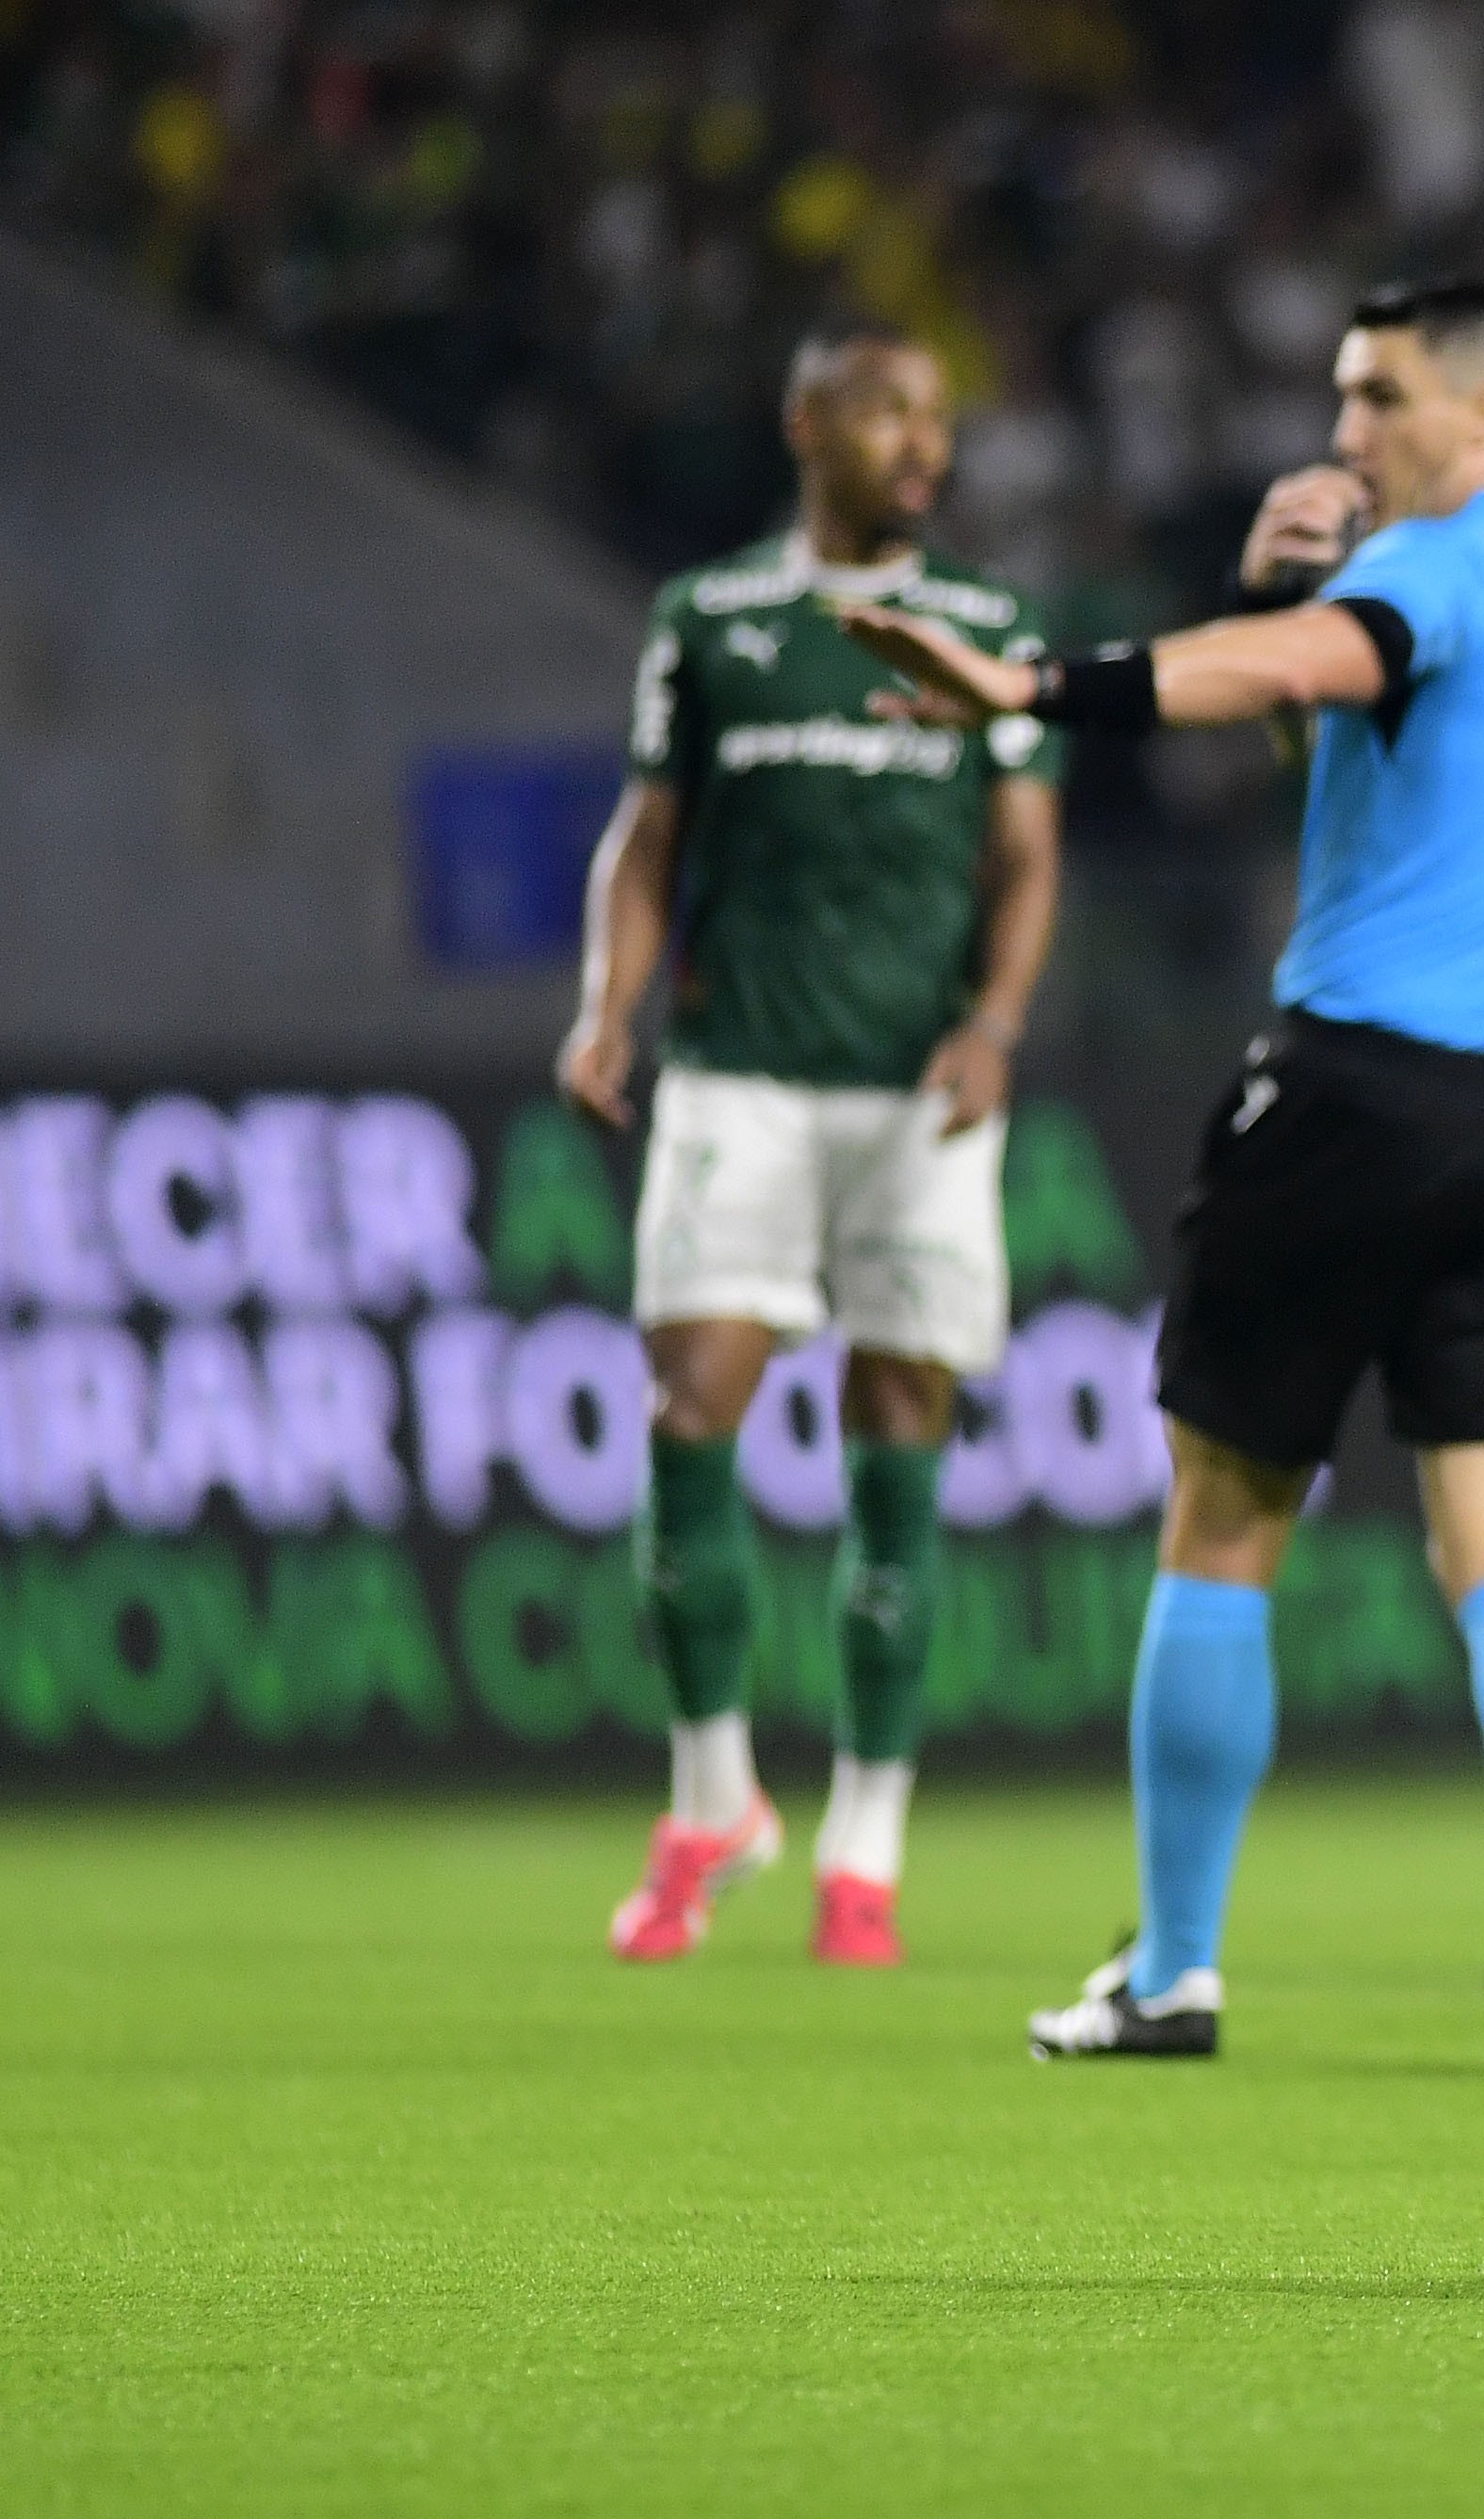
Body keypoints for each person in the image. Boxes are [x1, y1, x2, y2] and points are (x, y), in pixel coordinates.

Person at [837, 280, 1484, 2073]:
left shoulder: (1425, 579)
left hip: (1355, 1097)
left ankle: (1176, 1968)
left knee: (1223, 1523)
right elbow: (1361, 736)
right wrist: (1305, 595)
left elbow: (1289, 678)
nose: (1348, 432)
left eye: (1382, 398)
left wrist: (1033, 686)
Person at [558, 323, 1065, 1969]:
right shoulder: (711, 623)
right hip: (739, 1075)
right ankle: (713, 1798)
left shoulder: (988, 629)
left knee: (897, 1422)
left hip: (915, 1095)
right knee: (689, 1400)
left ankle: (867, 1843)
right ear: (808, 424)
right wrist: (605, 1009)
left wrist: (992, 1022)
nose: (924, 441)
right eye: (888, 410)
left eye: (939, 413)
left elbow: (1029, 859)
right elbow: (648, 841)